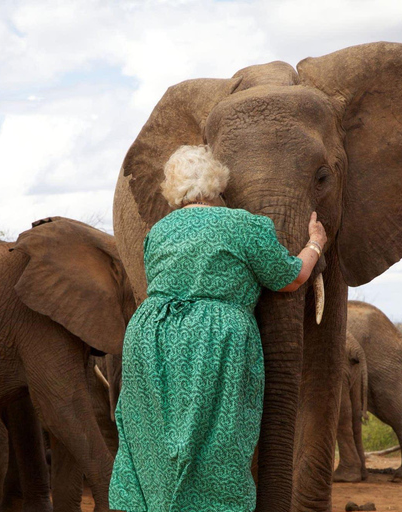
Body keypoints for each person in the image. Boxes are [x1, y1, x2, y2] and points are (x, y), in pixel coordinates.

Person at [109, 145, 327, 512]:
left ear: (173, 189)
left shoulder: (159, 231)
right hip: (215, 339)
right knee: (219, 443)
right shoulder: (244, 225)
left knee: (153, 441)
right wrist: (315, 244)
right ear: (219, 182)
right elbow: (290, 277)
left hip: (151, 338)